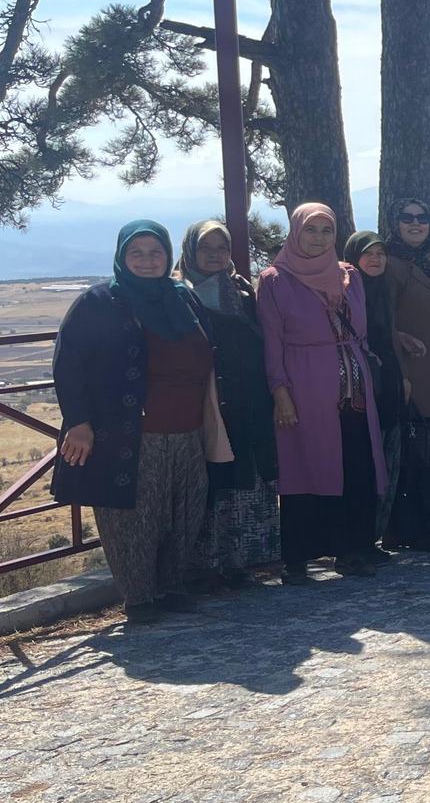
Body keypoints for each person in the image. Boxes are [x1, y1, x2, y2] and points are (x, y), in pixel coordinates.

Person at [54, 221, 234, 622]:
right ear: (121, 256)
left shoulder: (183, 298)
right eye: (136, 252)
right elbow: (68, 365)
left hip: (188, 428)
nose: (148, 260)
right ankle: (138, 598)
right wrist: (79, 422)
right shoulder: (98, 302)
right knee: (132, 518)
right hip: (130, 434)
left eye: (156, 252)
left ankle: (170, 587)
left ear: (169, 256)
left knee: (183, 512)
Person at [259, 203, 386, 581]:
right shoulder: (275, 280)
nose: (318, 237)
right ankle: (298, 557)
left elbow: (361, 331)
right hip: (305, 384)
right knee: (305, 467)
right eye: (310, 230)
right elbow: (272, 341)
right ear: (295, 232)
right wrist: (280, 391)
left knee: (355, 466)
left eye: (326, 230)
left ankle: (352, 550)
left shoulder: (349, 276)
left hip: (354, 387)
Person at [176, 220, 280, 584]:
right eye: (205, 248)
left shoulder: (242, 290)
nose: (215, 255)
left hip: (250, 398)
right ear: (190, 251)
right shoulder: (179, 293)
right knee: (214, 477)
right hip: (207, 400)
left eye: (222, 248)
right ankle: (207, 566)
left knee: (251, 473)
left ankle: (246, 561)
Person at [381, 199, 430, 555]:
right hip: (411, 370)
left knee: (422, 453)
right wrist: (401, 363)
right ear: (394, 222)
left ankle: (403, 528)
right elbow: (383, 318)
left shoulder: (423, 263)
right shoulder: (390, 264)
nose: (416, 223)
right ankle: (424, 528)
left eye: (423, 218)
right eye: (407, 217)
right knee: (419, 455)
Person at [343, 232, 409, 550]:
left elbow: (389, 335)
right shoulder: (345, 292)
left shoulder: (384, 290)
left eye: (381, 254)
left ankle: (374, 536)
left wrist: (403, 375)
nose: (376, 259)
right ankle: (357, 540)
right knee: (366, 464)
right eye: (368, 253)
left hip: (389, 384)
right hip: (361, 387)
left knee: (389, 460)